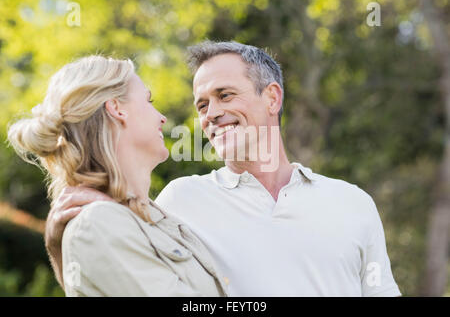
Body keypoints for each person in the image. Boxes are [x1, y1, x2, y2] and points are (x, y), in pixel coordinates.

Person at [45, 41, 401, 296]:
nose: (211, 113)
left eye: (225, 95)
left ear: (272, 97)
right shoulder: (178, 201)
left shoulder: (352, 203)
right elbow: (118, 273)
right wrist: (63, 255)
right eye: (201, 104)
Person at [7, 55, 228, 297]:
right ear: (116, 109)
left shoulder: (147, 216)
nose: (162, 117)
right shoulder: (97, 223)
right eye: (148, 100)